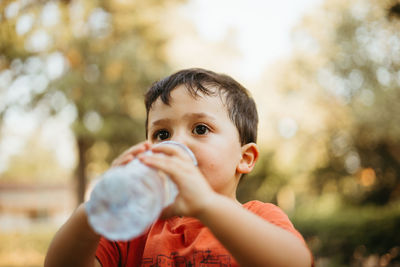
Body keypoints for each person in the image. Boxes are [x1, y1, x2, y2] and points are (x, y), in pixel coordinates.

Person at [45, 68, 313, 267]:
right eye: (162, 134)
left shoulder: (259, 218)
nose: (176, 143)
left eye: (200, 129)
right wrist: (94, 211)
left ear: (245, 158)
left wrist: (206, 204)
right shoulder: (139, 228)